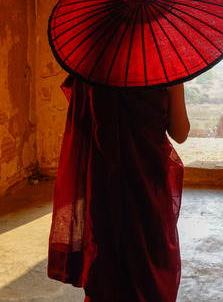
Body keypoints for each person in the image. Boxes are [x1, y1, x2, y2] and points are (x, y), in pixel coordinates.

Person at [48, 75, 190, 301]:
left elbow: (82, 123)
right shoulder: (164, 73)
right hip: (150, 180)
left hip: (104, 178)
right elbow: (180, 134)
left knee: (106, 247)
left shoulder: (91, 71)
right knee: (150, 254)